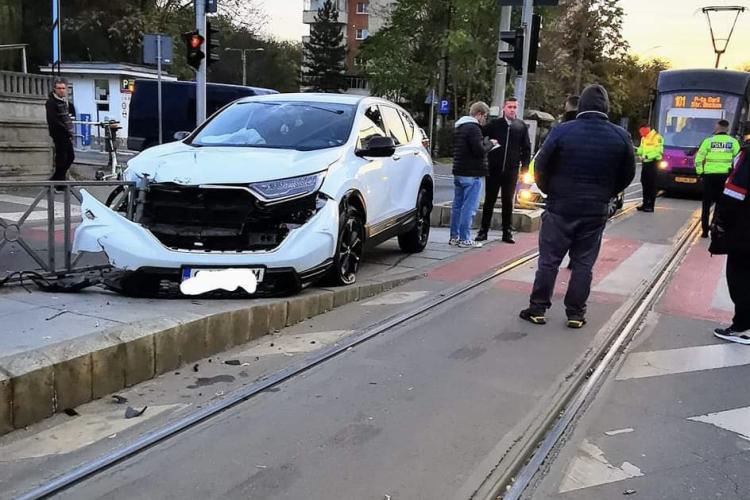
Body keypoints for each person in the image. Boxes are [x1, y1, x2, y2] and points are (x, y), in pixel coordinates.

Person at [519, 84, 635, 328]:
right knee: (583, 262)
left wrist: (551, 190)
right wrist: (607, 193)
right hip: (595, 209)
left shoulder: (562, 131)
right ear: (606, 106)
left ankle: (538, 308)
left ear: (580, 105)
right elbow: (627, 174)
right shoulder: (620, 136)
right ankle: (575, 314)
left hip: (561, 205)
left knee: (549, 260)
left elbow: (540, 165)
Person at [709, 140, 750, 343]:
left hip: (745, 230)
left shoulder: (748, 154)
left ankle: (743, 327)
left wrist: (721, 222)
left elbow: (735, 192)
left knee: (739, 276)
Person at [477, 97, 531, 244]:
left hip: (511, 170)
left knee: (508, 201)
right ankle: (483, 231)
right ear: (504, 108)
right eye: (510, 107)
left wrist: (524, 168)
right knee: (490, 200)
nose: (512, 110)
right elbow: (480, 134)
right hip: (494, 168)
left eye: (514, 107)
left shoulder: (520, 126)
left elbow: (526, 149)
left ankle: (507, 231)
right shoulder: (495, 124)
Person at [450, 101, 496, 249]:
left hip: (459, 171)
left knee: (457, 206)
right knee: (469, 208)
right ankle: (465, 238)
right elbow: (479, 151)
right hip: (472, 173)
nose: (485, 120)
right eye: (485, 116)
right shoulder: (474, 128)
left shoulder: (460, 127)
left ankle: (454, 237)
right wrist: (491, 144)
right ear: (479, 114)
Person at [694, 119, 740, 238]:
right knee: (720, 204)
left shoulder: (708, 141)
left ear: (717, 128)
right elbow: (738, 160)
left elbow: (698, 159)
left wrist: (700, 173)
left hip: (709, 176)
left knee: (706, 204)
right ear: (727, 129)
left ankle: (704, 231)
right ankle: (715, 226)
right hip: (725, 177)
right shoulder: (733, 142)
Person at [45, 78, 76, 183]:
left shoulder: (64, 102)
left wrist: (70, 131)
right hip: (58, 133)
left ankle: (56, 179)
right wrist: (65, 129)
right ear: (55, 89)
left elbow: (68, 116)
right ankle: (58, 181)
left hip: (66, 132)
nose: (61, 90)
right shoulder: (51, 102)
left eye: (63, 88)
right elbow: (53, 119)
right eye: (59, 88)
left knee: (70, 157)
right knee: (62, 158)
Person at [635, 125, 664, 212]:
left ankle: (650, 205)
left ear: (647, 129)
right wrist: (638, 152)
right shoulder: (644, 138)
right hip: (645, 163)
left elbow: (658, 151)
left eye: (642, 132)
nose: (641, 134)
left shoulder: (657, 137)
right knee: (644, 183)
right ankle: (644, 203)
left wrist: (647, 156)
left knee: (652, 185)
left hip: (653, 163)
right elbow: (641, 148)